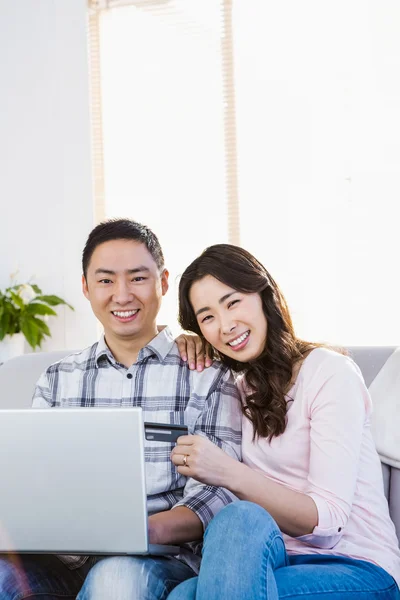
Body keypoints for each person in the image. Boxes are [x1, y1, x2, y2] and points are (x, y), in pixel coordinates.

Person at [0, 221, 242, 600]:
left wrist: (142, 531)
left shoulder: (206, 373)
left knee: (115, 580)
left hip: (158, 558)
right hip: (62, 559)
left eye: (138, 278)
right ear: (86, 287)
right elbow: (32, 480)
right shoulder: (58, 378)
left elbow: (217, 493)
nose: (123, 295)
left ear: (162, 282)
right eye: (106, 280)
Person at [168, 243, 400, 600]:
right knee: (191, 581)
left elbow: (328, 524)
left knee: (238, 518)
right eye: (207, 317)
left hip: (357, 567)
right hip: (275, 560)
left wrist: (225, 470)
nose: (226, 325)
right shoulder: (233, 388)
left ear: (264, 295)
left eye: (232, 303)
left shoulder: (328, 372)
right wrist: (179, 343)